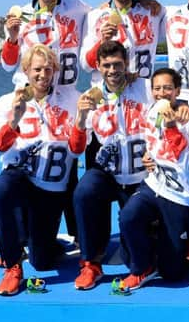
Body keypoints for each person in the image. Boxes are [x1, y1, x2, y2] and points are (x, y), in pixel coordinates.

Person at [1, 0, 89, 242]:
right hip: (31, 95)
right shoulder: (20, 14)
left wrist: (144, 1)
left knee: (68, 164)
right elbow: (7, 64)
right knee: (25, 160)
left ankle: (78, 234)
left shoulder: (75, 7)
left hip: (64, 95)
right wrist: (12, 38)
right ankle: (23, 233)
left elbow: (106, 12)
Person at [0, 44, 85, 296]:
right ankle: (11, 265)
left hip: (51, 187)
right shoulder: (7, 101)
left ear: (55, 71)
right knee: (0, 190)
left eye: (48, 69)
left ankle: (39, 240)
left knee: (42, 262)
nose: (43, 75)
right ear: (26, 71)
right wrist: (15, 120)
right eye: (37, 69)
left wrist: (82, 122)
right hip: (20, 177)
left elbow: (76, 150)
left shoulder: (72, 99)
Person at [72, 40, 153, 290]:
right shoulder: (91, 96)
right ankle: (90, 262)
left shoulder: (144, 87)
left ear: (126, 63)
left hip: (141, 175)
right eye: (106, 65)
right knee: (85, 190)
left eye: (117, 64)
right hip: (110, 173)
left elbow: (171, 99)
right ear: (98, 66)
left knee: (136, 257)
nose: (112, 70)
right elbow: (76, 147)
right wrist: (81, 118)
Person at [118, 68, 189, 290]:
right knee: (128, 216)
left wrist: (172, 127)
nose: (162, 93)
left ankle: (173, 243)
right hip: (154, 184)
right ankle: (142, 267)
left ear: (178, 91)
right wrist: (148, 157)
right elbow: (152, 144)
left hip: (179, 193)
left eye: (168, 88)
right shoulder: (152, 111)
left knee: (173, 274)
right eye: (157, 88)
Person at [1, 0, 90, 91]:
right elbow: (8, 66)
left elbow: (99, 15)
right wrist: (12, 40)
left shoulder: (76, 7)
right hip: (29, 94)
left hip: (65, 95)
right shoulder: (20, 17)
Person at [81, 0, 165, 84]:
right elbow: (85, 65)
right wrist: (102, 42)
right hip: (107, 96)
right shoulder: (94, 16)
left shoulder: (152, 12)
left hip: (142, 94)